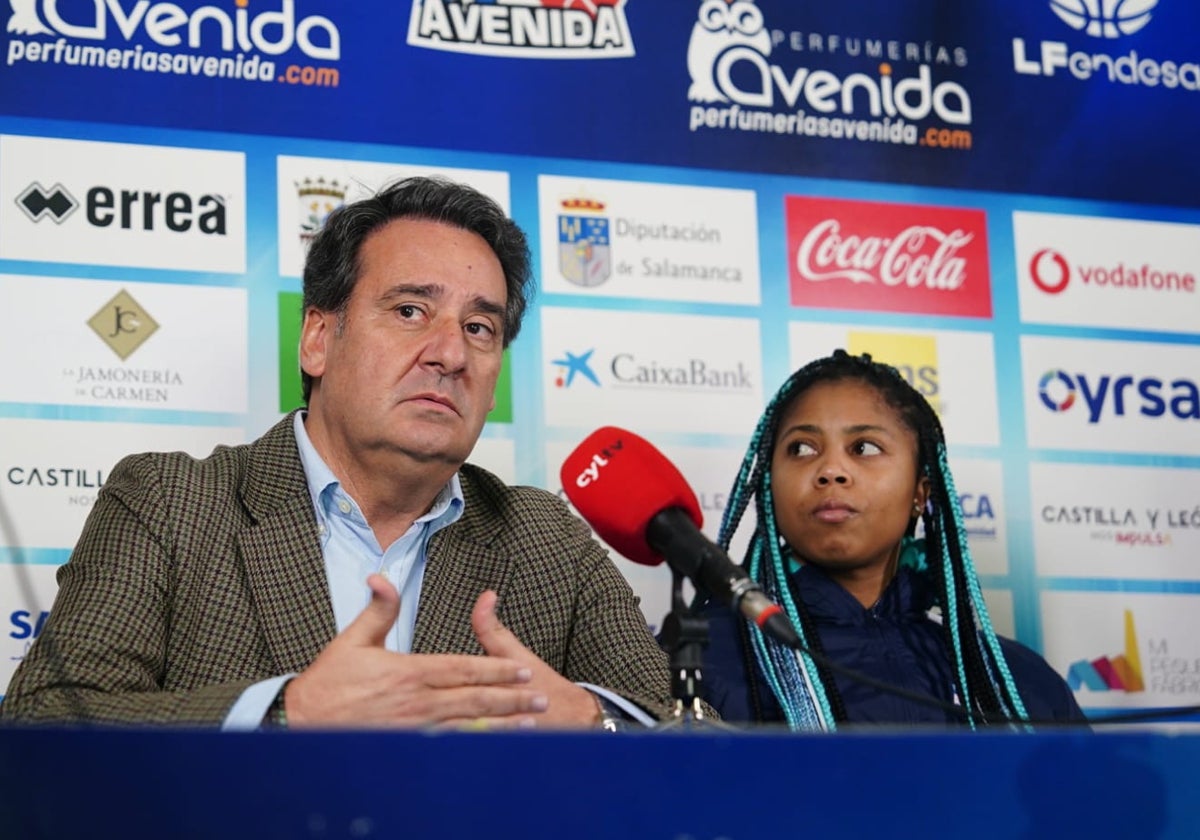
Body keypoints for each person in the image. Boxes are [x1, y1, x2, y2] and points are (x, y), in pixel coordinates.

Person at [1, 176, 673, 730]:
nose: (449, 353)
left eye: (479, 327)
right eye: (411, 311)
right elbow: (43, 719)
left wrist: (593, 723)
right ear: (318, 338)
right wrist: (285, 711)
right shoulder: (169, 501)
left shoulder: (544, 538)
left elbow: (677, 733)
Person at [699, 349, 1085, 730]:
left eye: (864, 447)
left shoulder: (1020, 680)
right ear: (769, 488)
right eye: (802, 448)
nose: (831, 470)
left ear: (920, 494)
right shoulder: (701, 658)